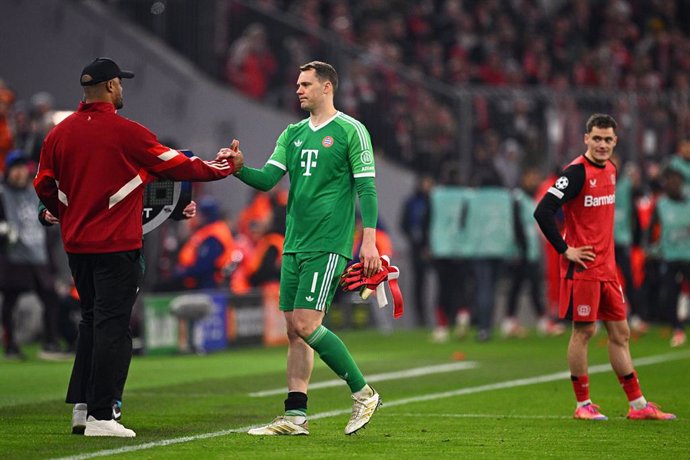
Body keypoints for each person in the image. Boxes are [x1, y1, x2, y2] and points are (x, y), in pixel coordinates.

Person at [33, 57, 243, 437]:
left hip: (77, 247)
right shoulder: (127, 132)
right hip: (116, 245)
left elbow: (43, 185)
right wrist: (226, 167)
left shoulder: (58, 135)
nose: (122, 89)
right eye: (121, 84)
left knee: (91, 321)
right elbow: (179, 165)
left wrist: (62, 212)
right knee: (114, 326)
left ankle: (82, 408)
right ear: (112, 87)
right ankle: (101, 414)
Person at [223, 61, 382, 436]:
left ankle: (364, 392)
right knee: (294, 330)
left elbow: (367, 188)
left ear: (327, 88)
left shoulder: (350, 130)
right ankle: (295, 416)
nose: (298, 89)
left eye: (306, 84)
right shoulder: (292, 133)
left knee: (308, 324)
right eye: (297, 83)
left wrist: (369, 239)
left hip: (328, 243)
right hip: (294, 244)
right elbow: (266, 180)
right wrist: (240, 168)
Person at [534, 113, 676, 421]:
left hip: (607, 269)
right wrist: (565, 249)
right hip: (584, 268)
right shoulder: (575, 173)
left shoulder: (611, 169)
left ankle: (638, 406)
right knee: (584, 331)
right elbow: (543, 210)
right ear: (586, 138)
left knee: (621, 333)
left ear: (615, 141)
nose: (601, 144)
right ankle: (582, 405)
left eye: (607, 139)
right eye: (596, 138)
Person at [0, 150, 64, 360]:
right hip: (13, 256)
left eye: (22, 168)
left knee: (50, 299)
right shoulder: (2, 194)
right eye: (15, 168)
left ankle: (50, 342)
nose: (19, 173)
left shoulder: (34, 191)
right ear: (8, 171)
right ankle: (10, 346)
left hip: (37, 255)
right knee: (10, 301)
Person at [647, 167, 690, 347]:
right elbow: (651, 229)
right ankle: (677, 329)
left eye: (677, 181)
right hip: (669, 257)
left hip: (688, 256)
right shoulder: (661, 205)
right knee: (670, 294)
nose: (674, 184)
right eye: (670, 181)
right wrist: (650, 248)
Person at [399, 174, 433, 327]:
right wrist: (414, 239)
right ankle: (420, 318)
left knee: (431, 283)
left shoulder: (433, 201)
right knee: (418, 283)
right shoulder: (412, 202)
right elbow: (403, 224)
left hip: (432, 247)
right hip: (416, 248)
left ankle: (437, 316)